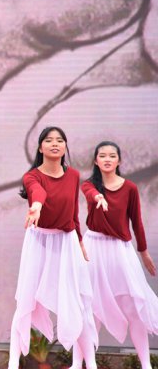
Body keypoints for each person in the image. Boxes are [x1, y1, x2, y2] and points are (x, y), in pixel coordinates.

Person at [7, 126, 97, 369]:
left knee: (78, 303)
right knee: (25, 302)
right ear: (40, 147)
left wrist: (80, 241)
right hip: (38, 240)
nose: (55, 144)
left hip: (66, 241)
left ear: (65, 146)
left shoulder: (73, 175)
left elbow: (74, 213)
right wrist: (36, 206)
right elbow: (38, 192)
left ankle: (91, 363)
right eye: (49, 140)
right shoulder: (32, 176)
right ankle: (13, 362)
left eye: (59, 140)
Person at [72, 141, 158, 369]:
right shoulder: (89, 185)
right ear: (95, 160)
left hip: (120, 250)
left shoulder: (130, 188)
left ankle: (146, 364)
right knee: (87, 307)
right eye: (103, 155)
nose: (107, 159)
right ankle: (78, 363)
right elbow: (89, 192)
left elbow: (136, 222)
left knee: (133, 308)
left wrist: (144, 252)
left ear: (119, 160)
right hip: (93, 248)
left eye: (112, 155)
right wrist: (98, 197)